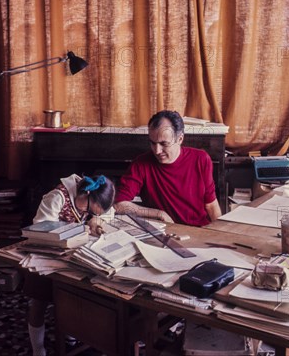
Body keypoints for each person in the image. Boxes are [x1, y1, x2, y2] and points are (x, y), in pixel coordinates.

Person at [25, 174, 115, 356]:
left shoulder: (93, 197)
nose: (91, 213)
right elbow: (40, 228)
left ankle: (70, 335)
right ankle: (38, 349)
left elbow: (110, 213)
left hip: (72, 259)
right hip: (45, 256)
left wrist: (96, 220)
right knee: (39, 301)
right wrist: (76, 231)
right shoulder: (57, 197)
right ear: (86, 195)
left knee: (73, 298)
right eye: (92, 210)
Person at [114, 110, 222, 226]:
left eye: (164, 144)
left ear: (180, 139)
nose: (157, 151)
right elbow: (119, 205)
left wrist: (221, 233)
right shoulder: (141, 164)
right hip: (164, 232)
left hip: (198, 230)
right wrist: (158, 213)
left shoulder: (201, 159)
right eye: (152, 143)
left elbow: (211, 205)